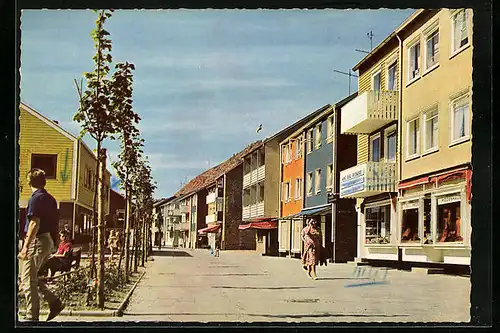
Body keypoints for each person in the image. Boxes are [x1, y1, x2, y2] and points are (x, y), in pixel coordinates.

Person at [18, 169, 64, 322]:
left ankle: (32, 317)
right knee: (33, 278)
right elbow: (55, 224)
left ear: (29, 181)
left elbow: (34, 223)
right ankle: (54, 302)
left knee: (27, 280)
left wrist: (25, 246)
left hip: (36, 241)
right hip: (47, 240)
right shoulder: (50, 199)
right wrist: (55, 243)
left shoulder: (35, 198)